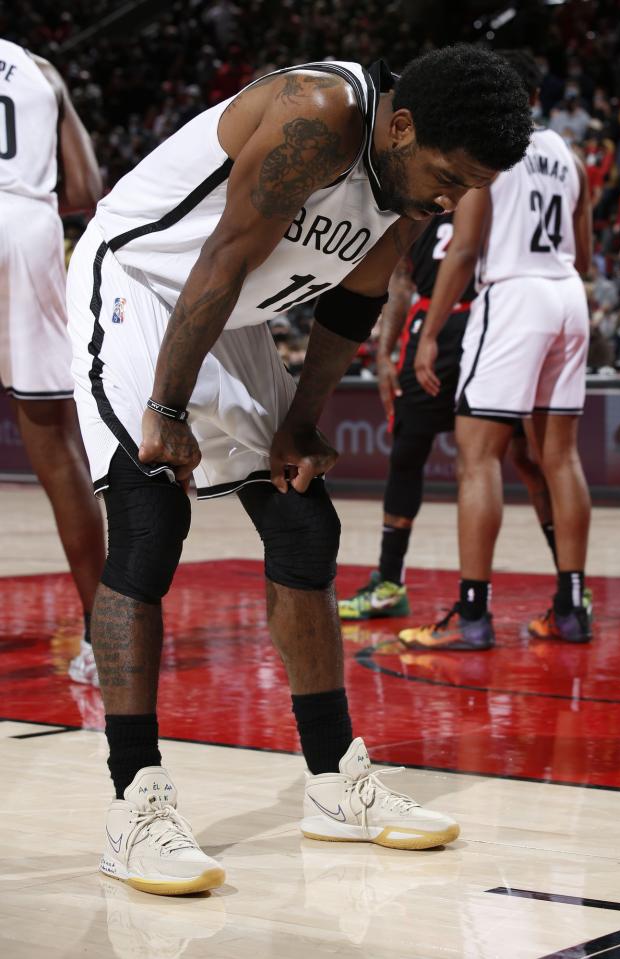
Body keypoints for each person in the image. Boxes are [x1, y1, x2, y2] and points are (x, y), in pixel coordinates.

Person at [65, 47, 532, 894]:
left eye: (469, 188)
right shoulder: (317, 114)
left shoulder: (413, 183)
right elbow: (223, 254)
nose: (450, 200)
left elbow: (355, 300)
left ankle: (333, 783)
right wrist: (166, 408)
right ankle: (135, 802)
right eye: (449, 178)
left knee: (303, 521)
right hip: (143, 282)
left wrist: (301, 423)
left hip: (230, 310)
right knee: (148, 519)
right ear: (400, 126)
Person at [409, 50, 593, 649]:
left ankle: (472, 614)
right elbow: (586, 256)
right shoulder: (571, 157)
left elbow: (463, 250)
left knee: (478, 456)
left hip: (515, 295)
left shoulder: (490, 149)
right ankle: (571, 609)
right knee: (560, 458)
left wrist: (430, 333)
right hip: (568, 296)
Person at [338, 214, 559, 623]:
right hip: (431, 327)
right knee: (406, 453)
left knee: (526, 456)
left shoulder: (496, 190)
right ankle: (389, 584)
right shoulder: (416, 203)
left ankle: (570, 589)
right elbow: (400, 280)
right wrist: (384, 354)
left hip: (492, 323)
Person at [0, 39, 106, 686]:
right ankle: (103, 635)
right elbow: (87, 186)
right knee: (57, 446)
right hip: (29, 228)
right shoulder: (39, 70)